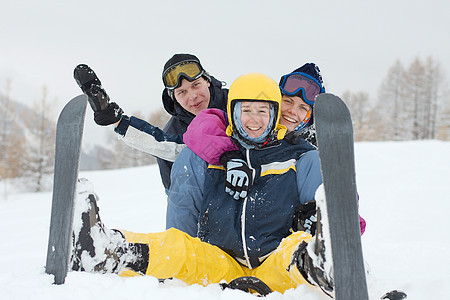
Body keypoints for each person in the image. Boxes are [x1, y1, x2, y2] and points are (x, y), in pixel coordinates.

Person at [70, 73, 335, 296]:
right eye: (246, 110)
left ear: (274, 113)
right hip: (221, 263)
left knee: (295, 247)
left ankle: (321, 264)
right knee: (180, 249)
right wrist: (118, 121)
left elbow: (331, 198)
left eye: (262, 111)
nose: (254, 119)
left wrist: (314, 217)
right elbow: (170, 142)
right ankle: (108, 250)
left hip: (273, 262)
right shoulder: (214, 152)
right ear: (232, 112)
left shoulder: (295, 155)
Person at [182, 63, 366, 235]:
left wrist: (348, 220)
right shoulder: (248, 122)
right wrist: (228, 155)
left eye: (303, 107)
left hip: (281, 236)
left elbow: (336, 184)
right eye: (288, 101)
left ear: (309, 116)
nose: (293, 111)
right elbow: (203, 126)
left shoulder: (309, 149)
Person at [73, 54, 228, 191]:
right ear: (173, 97)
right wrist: (116, 119)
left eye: (196, 85)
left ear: (207, 81)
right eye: (182, 92)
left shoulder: (238, 105)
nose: (193, 96)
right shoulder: (174, 132)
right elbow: (177, 197)